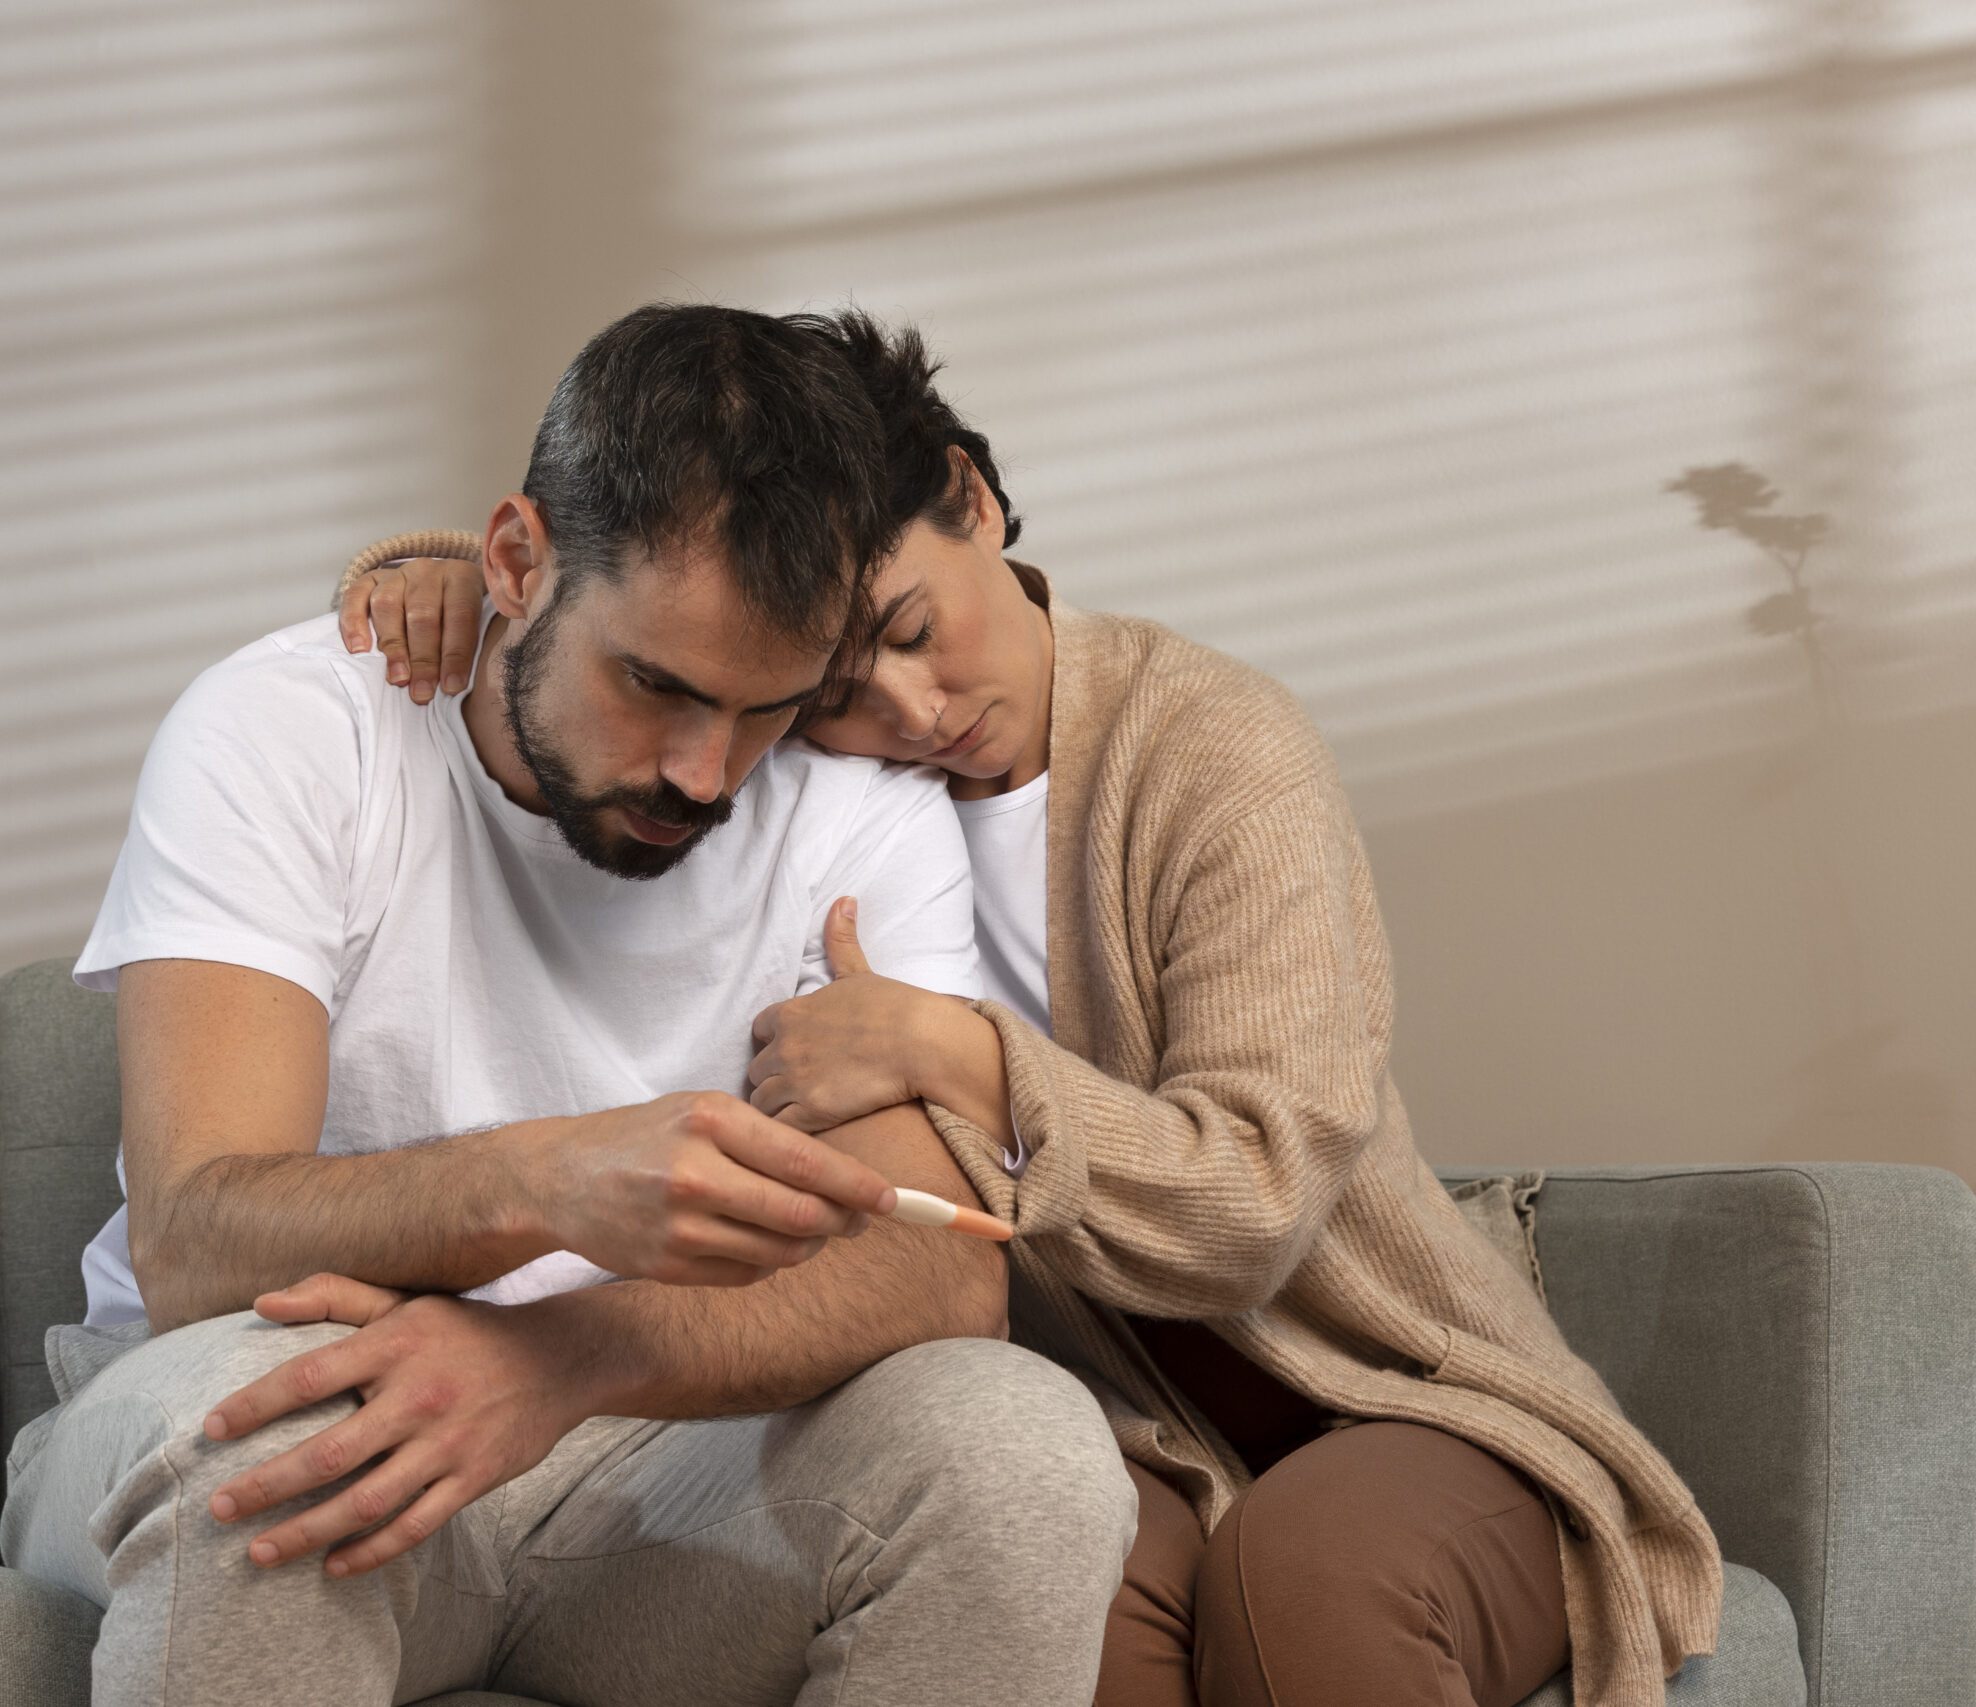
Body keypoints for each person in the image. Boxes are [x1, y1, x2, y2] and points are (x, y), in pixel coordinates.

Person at [337, 312, 1723, 1707]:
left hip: (1390, 1397)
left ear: (977, 502)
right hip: (1127, 1432)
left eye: (913, 630)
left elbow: (1255, 1203)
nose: (908, 706)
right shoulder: (810, 797)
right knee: (1050, 1578)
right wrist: (457, 580)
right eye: (835, 687)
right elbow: (633, 606)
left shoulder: (1212, 749)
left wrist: (963, 1055)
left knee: (1303, 1585)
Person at [1, 305, 1136, 1707]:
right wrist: (549, 1182)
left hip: (639, 1450)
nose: (706, 774)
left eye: (766, 708)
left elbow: (941, 1272)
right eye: (654, 685)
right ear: (516, 562)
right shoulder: (287, 733)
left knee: (1022, 1445)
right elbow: (194, 1240)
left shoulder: (856, 814)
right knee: (276, 1444)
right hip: (266, 1376)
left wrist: (566, 1352)